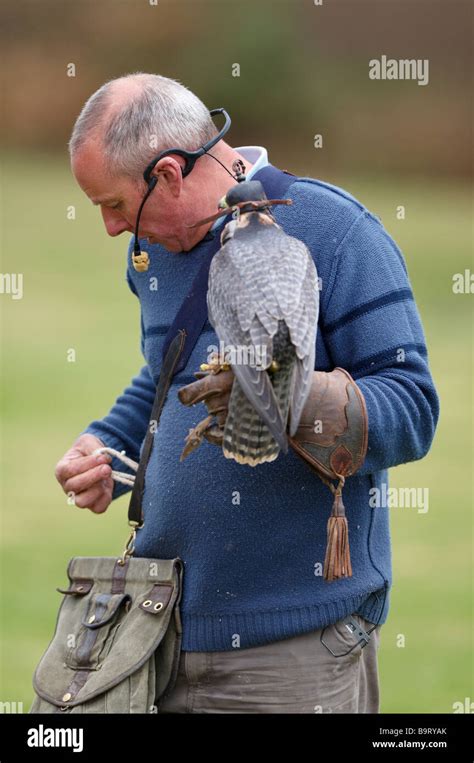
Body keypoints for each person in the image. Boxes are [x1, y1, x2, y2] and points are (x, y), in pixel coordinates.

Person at [54, 72, 439, 713]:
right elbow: (166, 375)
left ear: (170, 174)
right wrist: (108, 446)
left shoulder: (336, 232)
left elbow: (414, 407)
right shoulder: (154, 254)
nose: (112, 229)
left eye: (115, 205)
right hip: (155, 629)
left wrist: (288, 397)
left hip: (291, 649)